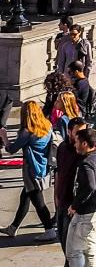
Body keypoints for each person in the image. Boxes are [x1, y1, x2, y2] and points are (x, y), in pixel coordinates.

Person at [2, 100, 55, 238]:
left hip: (31, 170)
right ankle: (13, 227)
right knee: (24, 197)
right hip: (42, 166)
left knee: (39, 202)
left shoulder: (27, 132)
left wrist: (4, 137)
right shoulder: (47, 126)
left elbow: (12, 149)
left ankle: (49, 230)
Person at [65, 125, 96, 267]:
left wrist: (75, 205)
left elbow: (90, 186)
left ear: (85, 144)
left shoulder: (86, 164)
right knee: (90, 247)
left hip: (85, 213)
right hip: (95, 211)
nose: (75, 144)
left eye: (77, 141)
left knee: (74, 251)